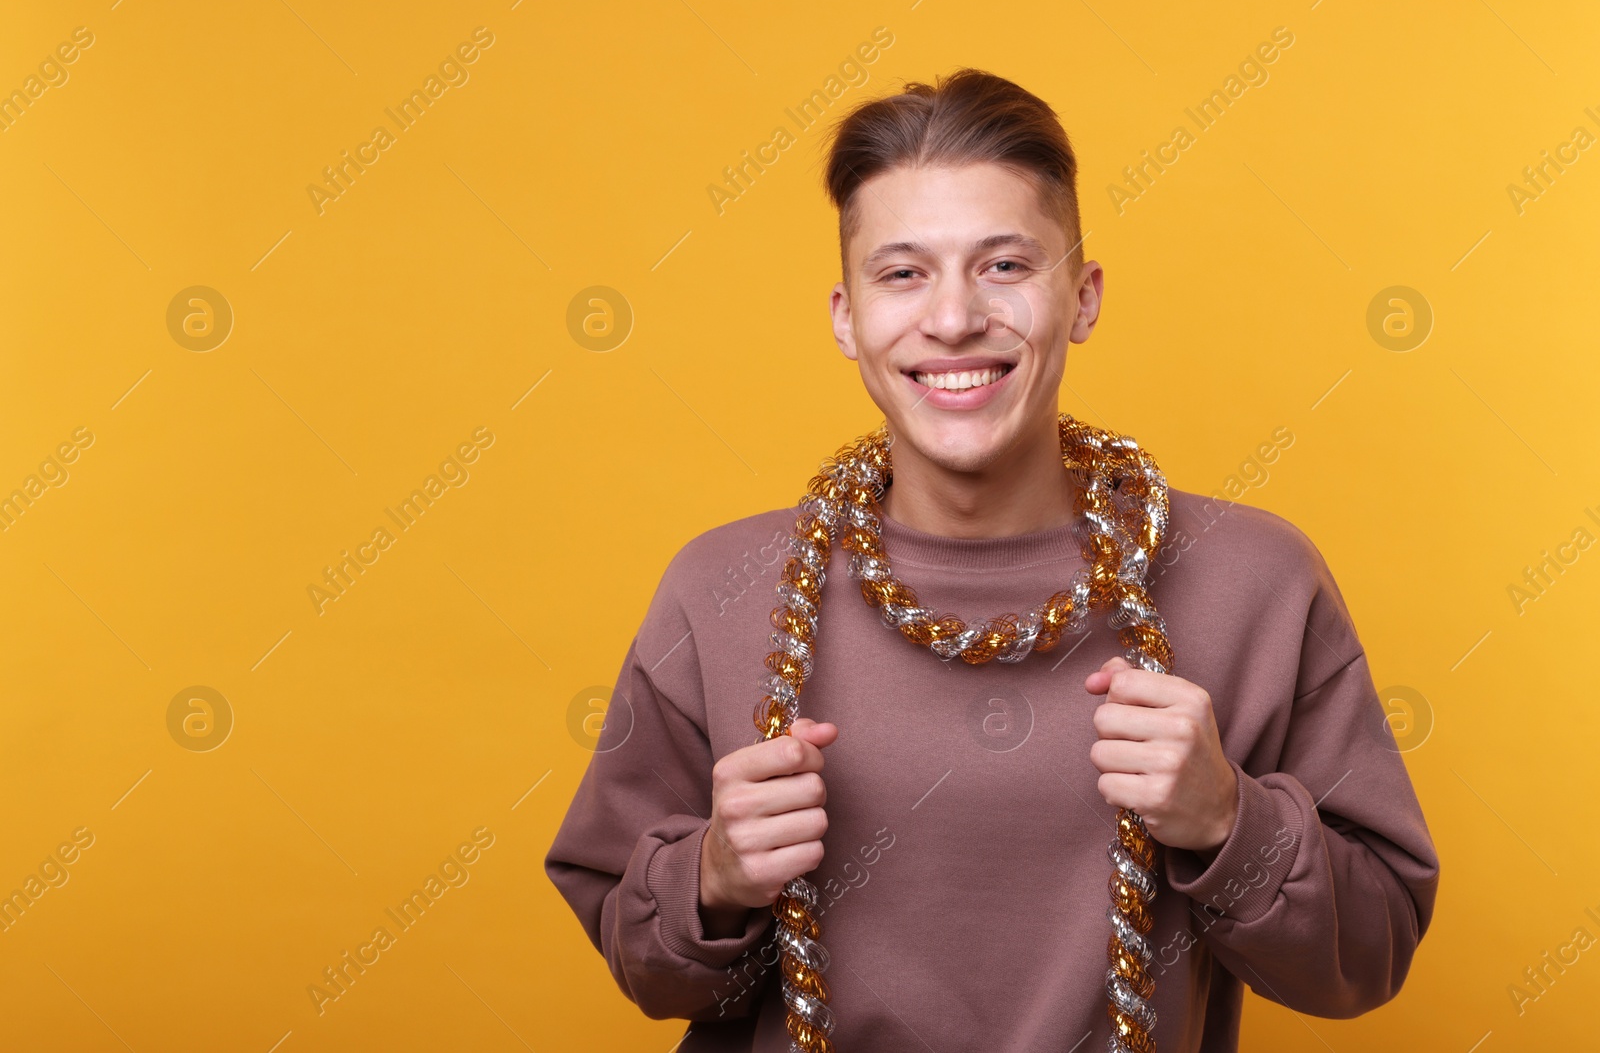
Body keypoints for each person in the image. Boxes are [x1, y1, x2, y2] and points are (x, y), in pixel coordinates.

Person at [544, 68, 1439, 1052]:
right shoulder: (721, 589)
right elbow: (641, 957)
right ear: (846, 318)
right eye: (903, 273)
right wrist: (713, 874)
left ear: (1083, 297)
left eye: (1005, 265)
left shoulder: (1254, 582)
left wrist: (1230, 818)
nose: (955, 316)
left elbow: (1370, 951)